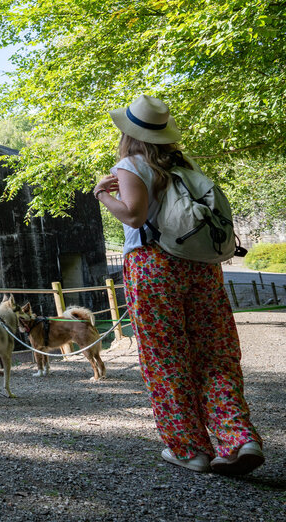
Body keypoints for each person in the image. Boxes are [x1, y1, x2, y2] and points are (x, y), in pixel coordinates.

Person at [93, 94, 264, 476]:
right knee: (215, 354)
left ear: (129, 133)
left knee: (165, 358)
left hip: (154, 268)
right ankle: (238, 439)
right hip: (202, 267)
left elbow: (134, 216)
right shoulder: (185, 166)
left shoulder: (131, 165)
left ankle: (190, 450)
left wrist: (102, 194)